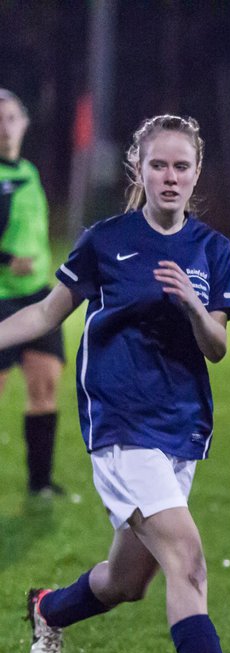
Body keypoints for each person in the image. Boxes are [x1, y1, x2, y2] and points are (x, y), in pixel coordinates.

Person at [0, 114, 230, 653]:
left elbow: (217, 347)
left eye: (182, 166)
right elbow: (47, 312)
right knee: (188, 558)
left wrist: (191, 304)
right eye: (159, 165)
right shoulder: (106, 240)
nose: (171, 177)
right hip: (121, 424)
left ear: (196, 172)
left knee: (127, 581)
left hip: (181, 428)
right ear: (139, 170)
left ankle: (49, 608)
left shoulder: (212, 249)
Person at [0, 88, 64, 497]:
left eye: (10, 119)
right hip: (1, 299)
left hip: (38, 296)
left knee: (45, 388)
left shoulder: (29, 171)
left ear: (23, 124)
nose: (4, 128)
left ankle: (40, 483)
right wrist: (6, 260)